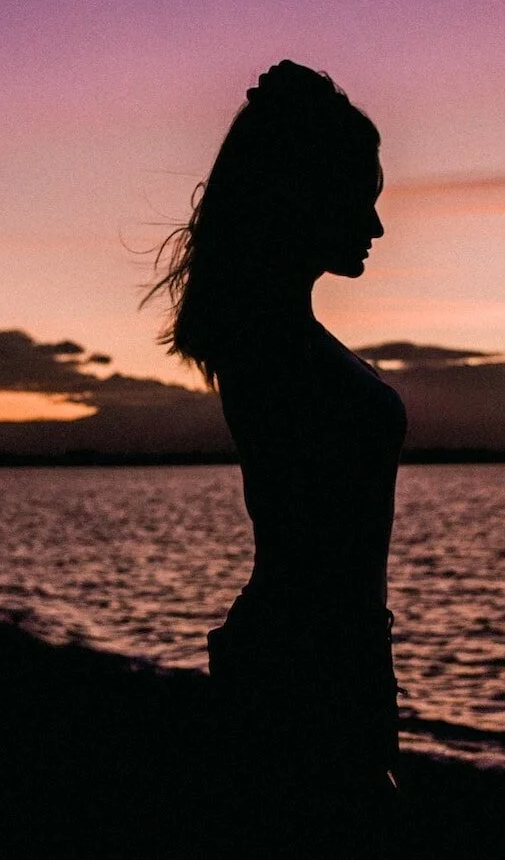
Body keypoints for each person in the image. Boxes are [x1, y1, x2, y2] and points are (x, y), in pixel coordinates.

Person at [151, 61, 405, 803]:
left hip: (310, 658)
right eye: (362, 198)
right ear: (307, 194)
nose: (376, 224)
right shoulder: (269, 345)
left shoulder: (273, 336)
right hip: (303, 671)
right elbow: (322, 563)